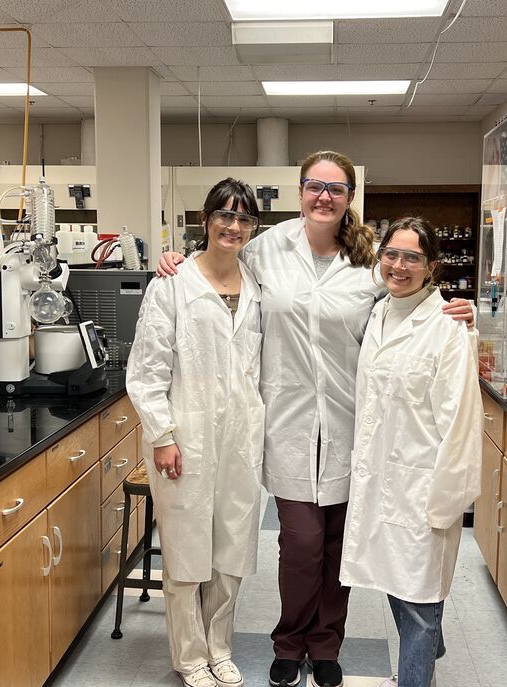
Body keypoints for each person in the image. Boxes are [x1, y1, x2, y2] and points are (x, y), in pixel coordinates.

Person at [157, 151, 474, 687]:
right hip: (287, 421)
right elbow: (220, 256)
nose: (324, 196)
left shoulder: (369, 259)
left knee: (338, 546)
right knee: (300, 544)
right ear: (300, 191)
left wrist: (456, 307)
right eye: (314, 186)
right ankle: (290, 640)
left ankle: (326, 646)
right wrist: (177, 257)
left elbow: (409, 293)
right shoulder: (266, 248)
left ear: (350, 197)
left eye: (336, 188)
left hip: (354, 423)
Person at [127, 178, 266, 687]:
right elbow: (146, 369)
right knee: (186, 551)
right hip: (186, 433)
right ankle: (189, 657)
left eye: (244, 218)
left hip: (241, 437)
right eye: (224, 216)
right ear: (205, 221)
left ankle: (220, 647)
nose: (233, 226)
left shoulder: (254, 284)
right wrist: (162, 435)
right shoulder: (172, 283)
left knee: (231, 548)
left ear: (252, 228)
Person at [340, 217, 483, 687]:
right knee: (393, 581)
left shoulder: (447, 328)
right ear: (380, 258)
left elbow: (461, 421)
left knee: (418, 602)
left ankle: (417, 677)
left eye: (413, 257)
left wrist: (448, 501)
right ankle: (430, 642)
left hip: (423, 484)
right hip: (380, 477)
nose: (399, 266)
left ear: (432, 266)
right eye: (391, 254)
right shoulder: (378, 312)